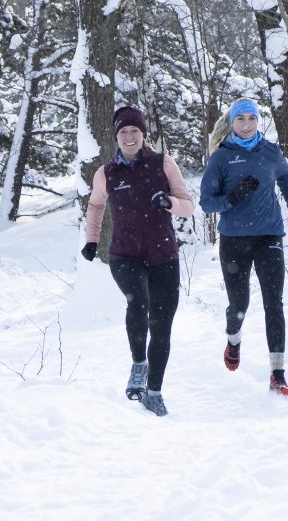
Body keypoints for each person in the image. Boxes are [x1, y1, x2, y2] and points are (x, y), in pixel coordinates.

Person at [81, 106, 195, 416]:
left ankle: (154, 392)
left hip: (163, 255)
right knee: (138, 301)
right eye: (123, 132)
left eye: (134, 131)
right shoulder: (107, 173)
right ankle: (138, 364)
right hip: (125, 254)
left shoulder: (163, 164)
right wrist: (92, 240)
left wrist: (169, 202)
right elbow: (95, 206)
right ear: (115, 137)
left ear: (143, 135)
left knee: (162, 326)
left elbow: (188, 206)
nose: (129, 137)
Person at [199, 98, 288, 396]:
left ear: (259, 121)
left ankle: (278, 373)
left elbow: (285, 178)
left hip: (269, 236)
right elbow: (206, 202)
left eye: (252, 118)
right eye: (240, 119)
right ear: (232, 122)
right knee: (239, 305)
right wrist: (231, 199)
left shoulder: (271, 152)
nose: (246, 124)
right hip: (234, 240)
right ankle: (234, 340)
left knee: (275, 303)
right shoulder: (221, 158)